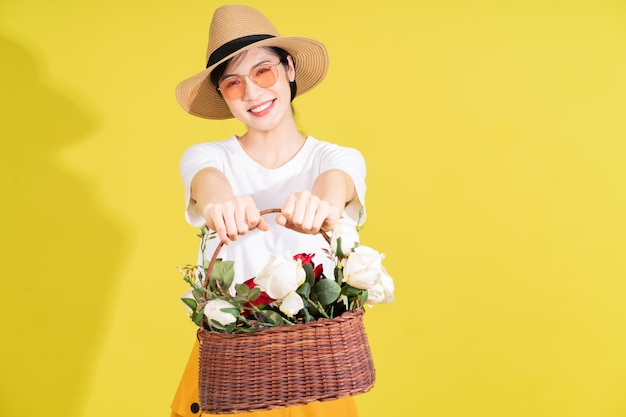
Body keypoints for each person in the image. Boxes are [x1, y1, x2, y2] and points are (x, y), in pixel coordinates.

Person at [171, 4, 367, 417]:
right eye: (234, 83)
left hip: (316, 372)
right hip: (233, 372)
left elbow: (336, 184)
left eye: (263, 72)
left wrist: (323, 206)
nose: (253, 94)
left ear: (289, 69)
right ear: (223, 95)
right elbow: (208, 184)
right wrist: (220, 206)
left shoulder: (336, 158)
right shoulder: (208, 157)